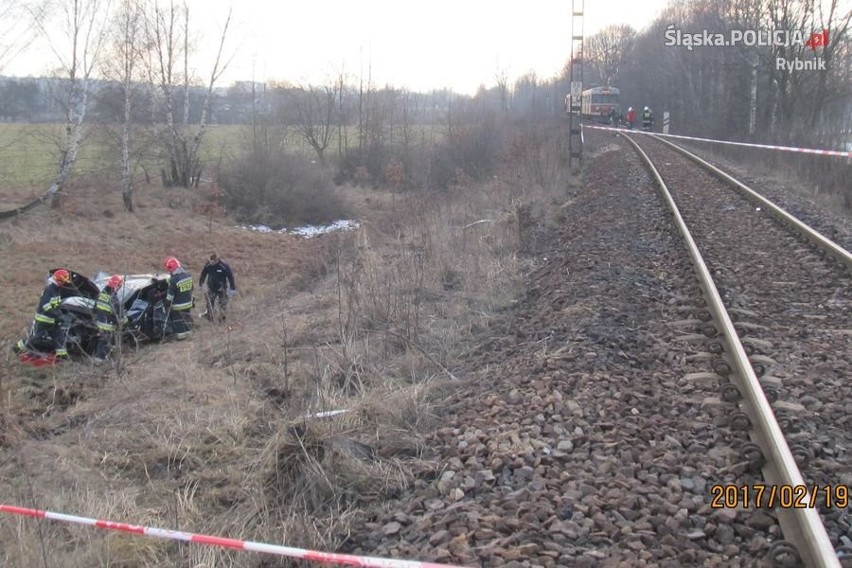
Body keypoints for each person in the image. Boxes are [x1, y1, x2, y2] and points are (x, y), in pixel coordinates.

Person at [15, 268, 74, 359]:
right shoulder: (49, 289)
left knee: (60, 339)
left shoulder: (57, 290)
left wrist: (60, 314)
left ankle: (62, 358)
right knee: (35, 339)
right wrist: (57, 315)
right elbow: (46, 306)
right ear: (58, 280)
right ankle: (17, 348)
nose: (64, 284)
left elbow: (56, 305)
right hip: (43, 320)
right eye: (62, 281)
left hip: (53, 321)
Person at [93, 275, 125, 364]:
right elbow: (119, 314)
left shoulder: (101, 295)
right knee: (107, 341)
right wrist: (127, 320)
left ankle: (104, 357)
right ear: (117, 286)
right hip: (108, 324)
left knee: (102, 340)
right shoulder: (113, 299)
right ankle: (100, 359)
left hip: (100, 322)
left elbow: (95, 308)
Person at [162, 256, 194, 339]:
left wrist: (167, 303)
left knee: (177, 320)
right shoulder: (188, 275)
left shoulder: (173, 280)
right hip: (188, 302)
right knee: (187, 318)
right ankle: (189, 333)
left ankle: (181, 336)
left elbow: (170, 295)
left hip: (178, 305)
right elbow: (191, 288)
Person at [199, 252, 236, 322]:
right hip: (211, 287)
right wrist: (201, 284)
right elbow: (203, 274)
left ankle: (222, 318)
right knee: (209, 302)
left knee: (223, 303)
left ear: (216, 260)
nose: (211, 263)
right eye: (210, 261)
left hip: (222, 288)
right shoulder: (208, 265)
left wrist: (232, 288)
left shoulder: (224, 266)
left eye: (212, 262)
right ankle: (209, 315)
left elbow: (230, 277)